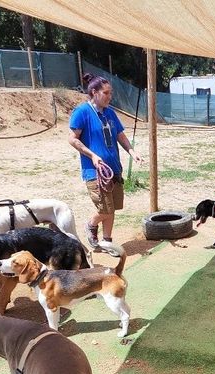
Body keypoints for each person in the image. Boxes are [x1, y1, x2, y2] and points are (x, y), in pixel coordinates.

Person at [68, 73, 144, 248]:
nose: (110, 96)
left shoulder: (110, 113)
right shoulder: (82, 112)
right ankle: (91, 225)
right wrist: (92, 155)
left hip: (114, 169)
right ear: (94, 92)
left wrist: (132, 152)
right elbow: (73, 139)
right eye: (106, 93)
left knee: (113, 206)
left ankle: (107, 241)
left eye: (110, 93)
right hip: (94, 171)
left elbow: (120, 135)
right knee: (105, 208)